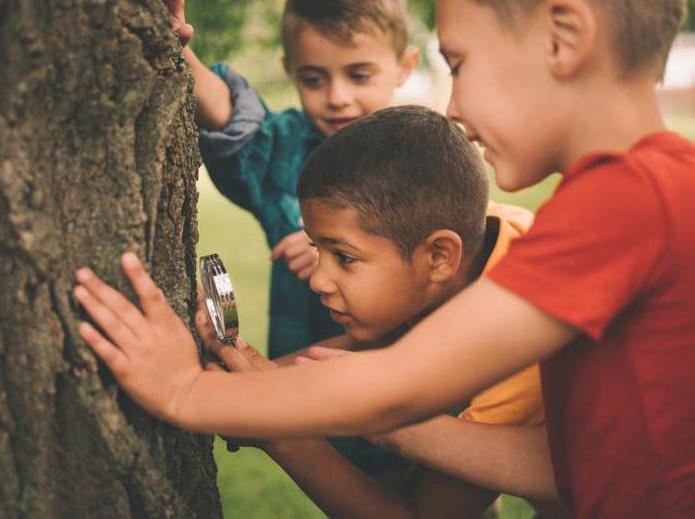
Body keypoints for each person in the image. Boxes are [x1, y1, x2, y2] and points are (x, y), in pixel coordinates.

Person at [74, 1, 695, 517]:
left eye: (458, 61)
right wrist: (260, 389)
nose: (451, 108)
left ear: (564, 38)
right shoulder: (649, 193)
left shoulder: (626, 201)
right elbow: (559, 462)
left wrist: (185, 392)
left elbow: (400, 387)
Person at [201, 105, 551, 517]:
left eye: (344, 257)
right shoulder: (476, 241)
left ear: (439, 256)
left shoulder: (519, 362)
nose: (317, 280)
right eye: (317, 248)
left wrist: (285, 436)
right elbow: (389, 340)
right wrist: (248, 382)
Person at [170, 0, 419, 359]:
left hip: (406, 385)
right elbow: (232, 121)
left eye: (359, 76)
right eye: (313, 79)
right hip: (299, 384)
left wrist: (338, 249)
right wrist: (175, 47)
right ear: (290, 70)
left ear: (404, 67)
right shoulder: (289, 151)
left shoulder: (425, 158)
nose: (337, 98)